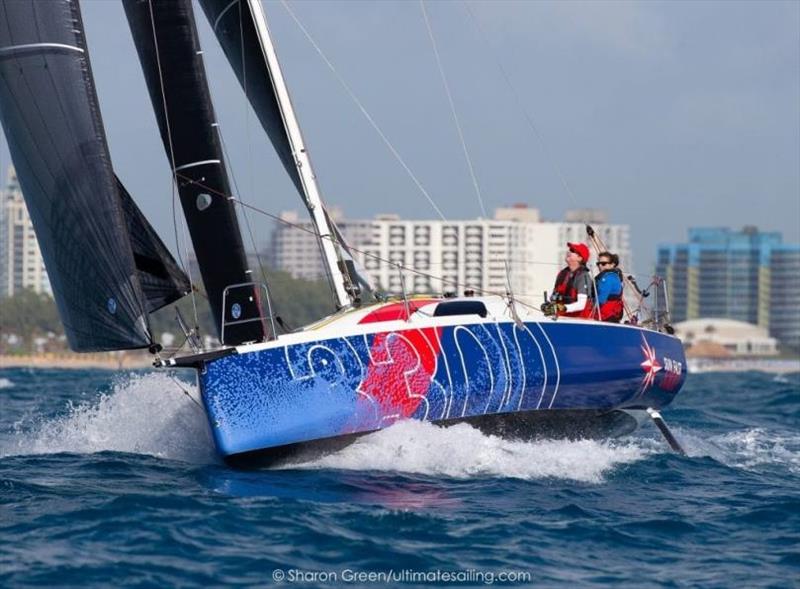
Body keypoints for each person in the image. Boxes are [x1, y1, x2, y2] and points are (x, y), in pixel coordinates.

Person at [542, 242, 593, 318]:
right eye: (569, 249)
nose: (569, 251)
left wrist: (560, 308)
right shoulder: (562, 274)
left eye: (572, 250)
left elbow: (581, 304)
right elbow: (555, 295)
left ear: (580, 258)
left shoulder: (583, 276)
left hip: (578, 320)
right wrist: (548, 305)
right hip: (560, 318)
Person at [594, 251, 624, 322]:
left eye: (603, 264)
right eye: (598, 264)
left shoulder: (608, 278)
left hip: (606, 317)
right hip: (610, 316)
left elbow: (601, 300)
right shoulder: (615, 277)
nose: (600, 266)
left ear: (612, 265)